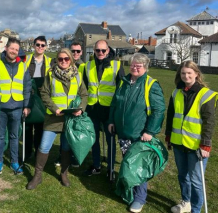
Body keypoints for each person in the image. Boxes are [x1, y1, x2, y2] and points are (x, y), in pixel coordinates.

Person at [108, 53, 165, 213]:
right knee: (128, 164)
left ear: (145, 68)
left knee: (138, 166)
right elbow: (114, 103)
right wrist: (111, 121)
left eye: (138, 66)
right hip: (123, 132)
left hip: (140, 134)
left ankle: (139, 198)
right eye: (133, 64)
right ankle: (129, 191)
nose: (134, 67)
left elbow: (159, 109)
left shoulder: (151, 84)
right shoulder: (124, 82)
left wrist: (150, 131)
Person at [26, 48, 88, 190]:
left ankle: (64, 174)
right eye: (60, 59)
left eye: (66, 59)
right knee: (44, 146)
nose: (63, 61)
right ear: (57, 60)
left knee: (66, 147)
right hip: (53, 118)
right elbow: (44, 93)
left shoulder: (77, 75)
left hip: (69, 119)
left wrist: (81, 108)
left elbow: (84, 95)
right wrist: (55, 109)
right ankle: (37, 176)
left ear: (71, 60)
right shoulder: (50, 74)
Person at [165, 61, 218, 213]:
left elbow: (209, 122)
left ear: (196, 74)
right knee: (183, 176)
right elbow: (170, 116)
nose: (186, 76)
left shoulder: (206, 94)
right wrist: (168, 136)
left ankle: (195, 209)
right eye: (183, 73)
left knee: (196, 181)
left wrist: (206, 145)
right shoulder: (176, 92)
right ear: (179, 75)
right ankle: (186, 202)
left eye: (189, 73)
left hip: (197, 146)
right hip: (178, 143)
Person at [0, 37, 32, 175]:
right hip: (1, 108)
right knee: (0, 137)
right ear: (6, 48)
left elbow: (27, 88)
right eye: (12, 48)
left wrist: (27, 106)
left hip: (17, 107)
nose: (14, 51)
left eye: (16, 50)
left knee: (14, 137)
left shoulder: (23, 66)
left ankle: (14, 162)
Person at [83, 39, 125, 179]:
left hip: (109, 110)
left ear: (108, 51)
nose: (100, 53)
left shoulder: (117, 65)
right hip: (92, 108)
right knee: (93, 139)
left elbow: (122, 89)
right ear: (94, 51)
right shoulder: (87, 66)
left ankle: (111, 169)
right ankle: (96, 165)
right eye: (97, 50)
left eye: (103, 50)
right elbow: (84, 86)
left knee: (110, 140)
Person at [54, 41, 84, 168]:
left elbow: (83, 89)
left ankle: (74, 156)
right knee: (65, 134)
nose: (75, 53)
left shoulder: (83, 66)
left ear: (81, 52)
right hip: (62, 107)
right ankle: (63, 155)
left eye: (78, 51)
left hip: (76, 105)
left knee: (75, 132)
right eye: (73, 51)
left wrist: (81, 106)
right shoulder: (58, 66)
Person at [24, 36, 52, 160]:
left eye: (42, 45)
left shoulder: (51, 61)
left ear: (46, 47)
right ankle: (27, 152)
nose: (40, 47)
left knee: (40, 126)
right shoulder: (26, 59)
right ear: (34, 45)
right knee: (27, 126)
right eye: (38, 44)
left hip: (43, 96)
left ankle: (38, 153)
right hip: (28, 94)